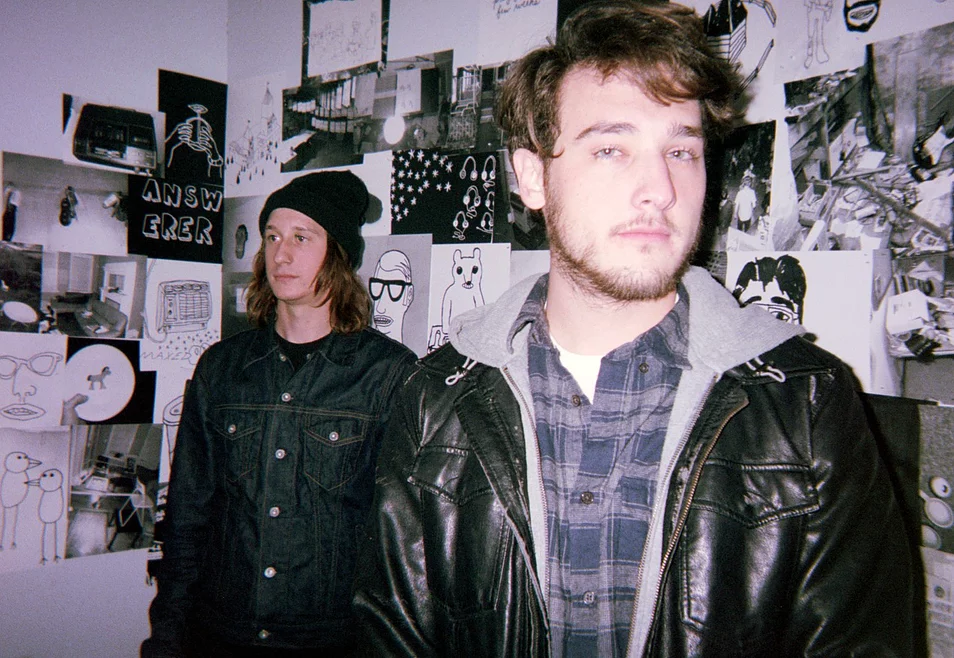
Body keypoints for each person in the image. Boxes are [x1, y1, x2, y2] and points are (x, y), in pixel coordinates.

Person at [352, 2, 913, 656]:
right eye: (611, 148)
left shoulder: (808, 405)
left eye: (681, 150)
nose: (660, 189)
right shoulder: (433, 401)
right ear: (532, 176)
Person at [142, 170, 416, 657]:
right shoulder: (222, 368)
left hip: (330, 643)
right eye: (272, 237)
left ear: (338, 254)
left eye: (301, 237)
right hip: (219, 635)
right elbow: (186, 519)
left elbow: (405, 543)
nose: (281, 255)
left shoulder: (388, 374)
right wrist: (166, 638)